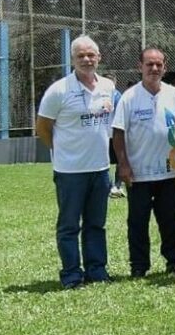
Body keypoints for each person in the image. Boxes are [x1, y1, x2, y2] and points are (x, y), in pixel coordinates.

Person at [35, 34, 119, 288]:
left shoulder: (108, 87)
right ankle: (72, 275)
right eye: (80, 55)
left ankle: (97, 271)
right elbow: (43, 128)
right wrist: (61, 150)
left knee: (96, 224)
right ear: (72, 59)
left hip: (100, 168)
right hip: (70, 171)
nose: (86, 59)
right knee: (69, 226)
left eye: (90, 55)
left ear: (99, 57)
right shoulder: (59, 90)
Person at [112, 46, 175, 279]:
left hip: (169, 172)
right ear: (140, 66)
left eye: (158, 64)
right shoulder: (129, 97)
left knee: (170, 220)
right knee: (138, 221)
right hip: (139, 174)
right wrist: (123, 165)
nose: (154, 68)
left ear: (165, 67)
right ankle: (139, 265)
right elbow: (119, 133)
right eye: (149, 64)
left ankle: (174, 261)